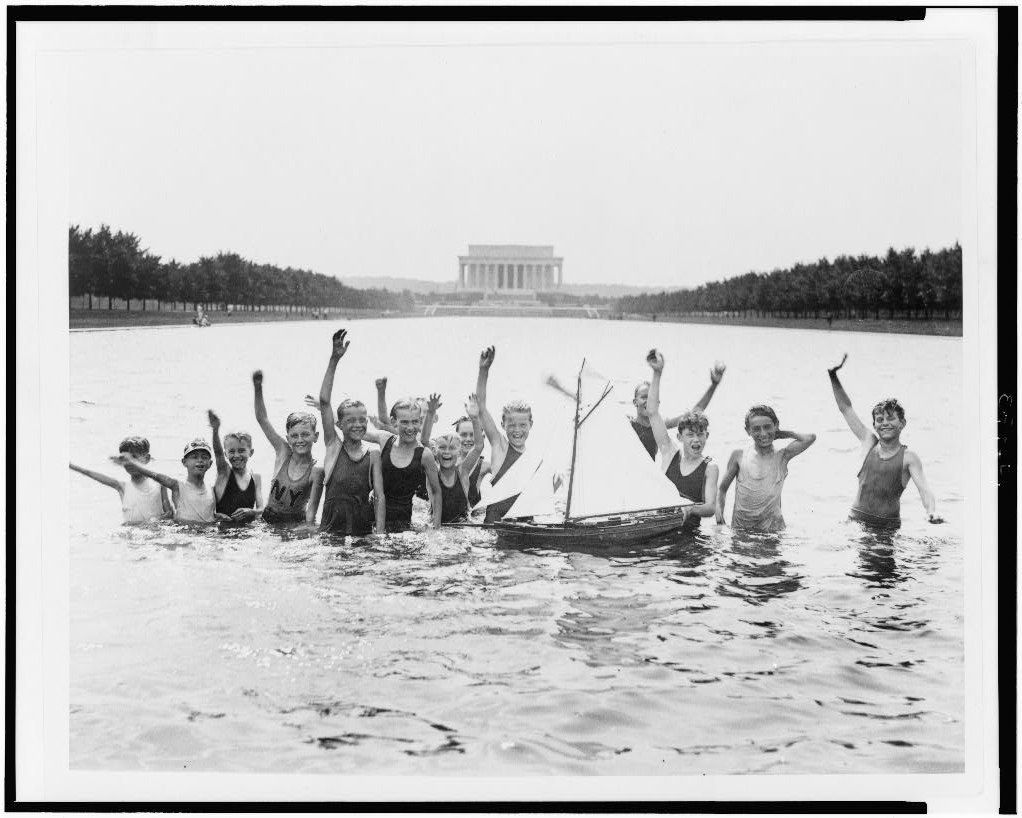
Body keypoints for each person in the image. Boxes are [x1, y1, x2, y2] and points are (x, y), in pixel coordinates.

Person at [827, 353, 944, 527]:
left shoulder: (909, 458)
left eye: (890, 419)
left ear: (902, 423)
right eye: (880, 420)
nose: (885, 423)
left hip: (887, 528)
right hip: (855, 522)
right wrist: (833, 376)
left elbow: (924, 489)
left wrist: (932, 511)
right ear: (874, 425)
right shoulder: (868, 442)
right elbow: (845, 408)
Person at [308, 328, 386, 536]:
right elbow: (324, 401)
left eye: (362, 420)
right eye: (351, 420)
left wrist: (379, 534)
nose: (358, 425)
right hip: (330, 532)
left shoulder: (373, 455)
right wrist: (334, 359)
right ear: (339, 424)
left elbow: (378, 496)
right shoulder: (333, 446)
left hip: (362, 533)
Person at [644, 350, 719, 531]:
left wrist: (690, 507)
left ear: (707, 436)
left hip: (688, 536)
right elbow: (652, 412)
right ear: (679, 437)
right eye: (690, 434)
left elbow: (710, 508)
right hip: (657, 529)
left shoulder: (710, 468)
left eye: (701, 434)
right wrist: (657, 373)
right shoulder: (669, 453)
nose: (696, 439)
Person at [715, 405, 816, 532]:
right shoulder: (739, 456)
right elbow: (722, 489)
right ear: (748, 431)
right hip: (741, 529)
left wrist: (782, 433)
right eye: (756, 429)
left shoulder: (783, 456)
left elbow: (810, 438)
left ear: (776, 425)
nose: (763, 433)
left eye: (767, 427)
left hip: (772, 530)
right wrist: (720, 520)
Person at [253, 369, 322, 524]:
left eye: (305, 434)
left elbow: (312, 512)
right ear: (288, 438)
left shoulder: (317, 470)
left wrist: (307, 529)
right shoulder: (283, 452)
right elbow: (262, 418)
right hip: (267, 519)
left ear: (315, 437)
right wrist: (258, 388)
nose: (300, 440)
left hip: (293, 523)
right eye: (294, 436)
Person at [476, 345, 534, 523]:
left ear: (531, 424)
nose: (517, 430)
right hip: (497, 522)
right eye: (512, 425)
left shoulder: (533, 456)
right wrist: (483, 371)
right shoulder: (499, 446)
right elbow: (481, 407)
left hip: (525, 521)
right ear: (502, 425)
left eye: (523, 425)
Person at [631, 361, 727, 459]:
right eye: (643, 397)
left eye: (651, 398)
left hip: (648, 473)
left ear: (657, 403)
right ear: (635, 402)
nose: (648, 401)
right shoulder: (626, 423)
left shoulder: (660, 426)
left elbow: (694, 413)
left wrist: (714, 385)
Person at [112, 437, 218, 524]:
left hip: (206, 533)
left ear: (210, 464)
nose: (200, 460)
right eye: (194, 457)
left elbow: (211, 513)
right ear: (184, 462)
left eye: (204, 457)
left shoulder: (212, 490)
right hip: (186, 533)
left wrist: (219, 516)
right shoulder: (177, 485)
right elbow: (155, 476)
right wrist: (133, 464)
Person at [70, 436, 173, 524]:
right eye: (124, 459)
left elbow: (169, 513)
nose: (129, 463)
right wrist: (71, 465)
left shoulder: (159, 484)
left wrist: (154, 521)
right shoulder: (122, 487)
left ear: (147, 459)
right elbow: (88, 473)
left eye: (134, 458)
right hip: (134, 542)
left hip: (155, 537)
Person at [431, 397, 485, 524]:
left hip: (463, 522)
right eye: (443, 448)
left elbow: (479, 446)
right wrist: (429, 416)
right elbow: (423, 441)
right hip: (438, 523)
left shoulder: (464, 470)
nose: (447, 452)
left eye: (472, 435)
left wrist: (475, 418)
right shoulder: (434, 468)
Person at [207, 410, 263, 523]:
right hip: (224, 535)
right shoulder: (224, 474)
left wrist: (251, 512)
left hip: (248, 534)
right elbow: (218, 453)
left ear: (251, 452)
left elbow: (261, 509)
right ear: (226, 454)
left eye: (241, 450)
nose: (236, 456)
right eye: (232, 451)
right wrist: (215, 430)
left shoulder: (256, 478)